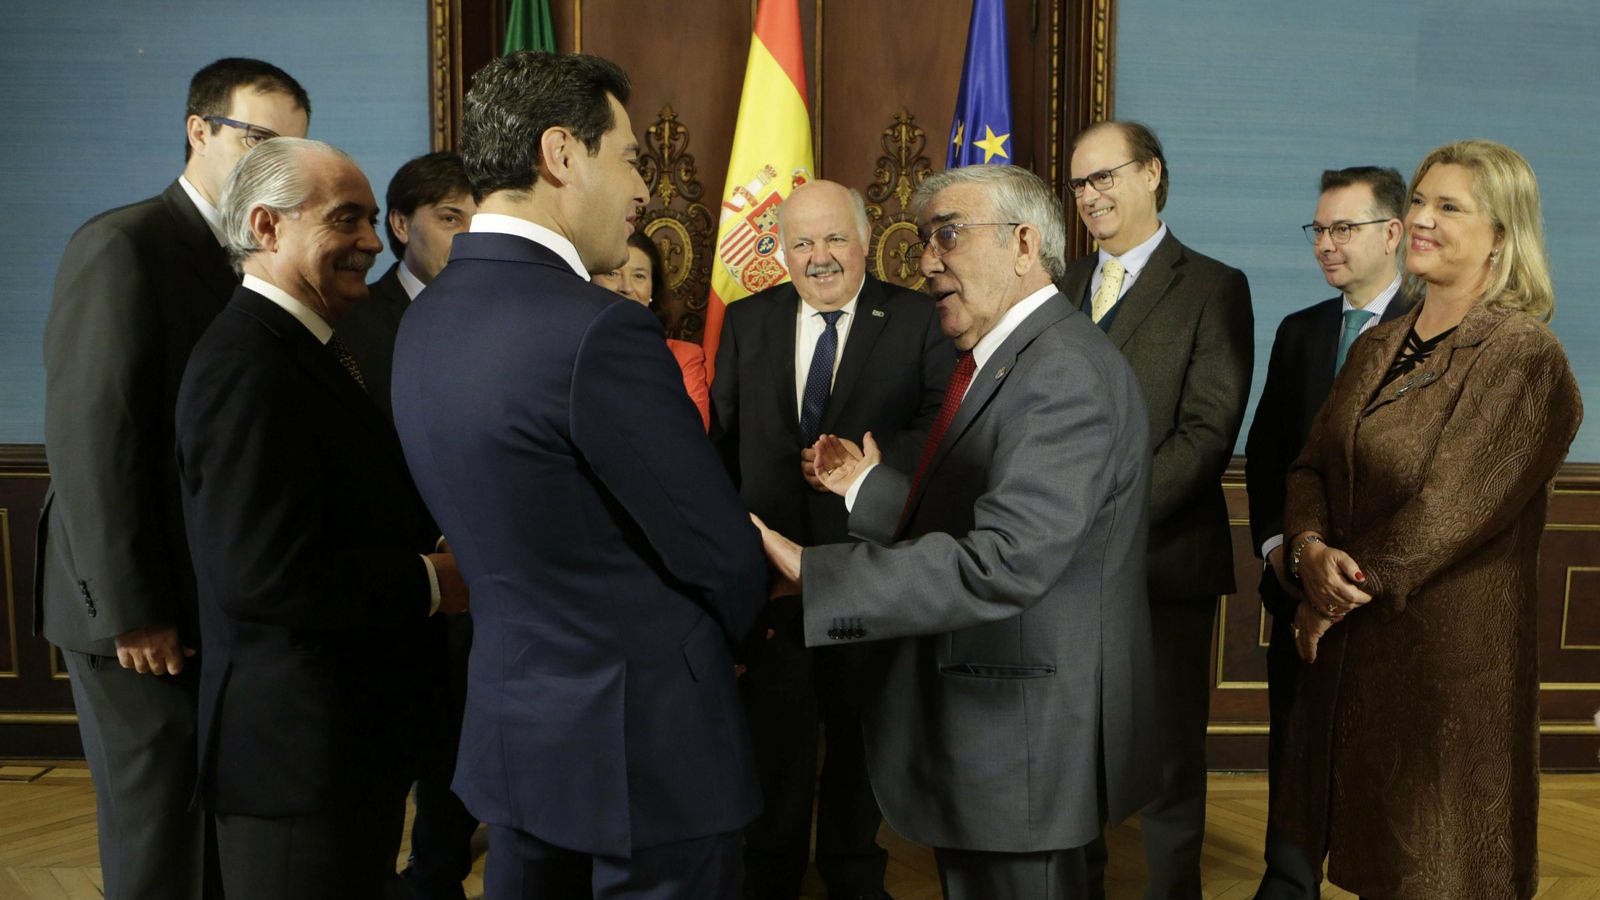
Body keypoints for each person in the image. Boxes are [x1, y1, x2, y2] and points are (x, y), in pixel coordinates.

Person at [389, 51, 767, 899]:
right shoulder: (599, 330)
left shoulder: (426, 315)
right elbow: (715, 547)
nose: (645, 191)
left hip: (516, 734)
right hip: (647, 748)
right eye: (631, 157)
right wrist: (735, 637)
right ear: (561, 154)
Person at [752, 164, 1161, 900]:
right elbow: (969, 512)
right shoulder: (1007, 358)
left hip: (1022, 738)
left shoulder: (1061, 371)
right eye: (922, 240)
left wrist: (821, 574)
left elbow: (1005, 559)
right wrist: (867, 490)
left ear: (1025, 243)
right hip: (991, 728)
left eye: (948, 235)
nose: (927, 260)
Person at [1276, 140, 1582, 899]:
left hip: (1447, 666)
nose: (1422, 218)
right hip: (1359, 655)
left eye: (1450, 206)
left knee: (1441, 870)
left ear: (1502, 235)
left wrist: (1333, 594)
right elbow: (1311, 463)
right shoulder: (1379, 342)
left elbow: (1448, 509)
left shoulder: (1523, 355)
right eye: (1418, 200)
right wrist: (1308, 550)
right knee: (1373, 867)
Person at [36, 57, 309, 900]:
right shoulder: (123, 245)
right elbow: (93, 446)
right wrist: (134, 612)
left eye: (292, 150)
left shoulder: (244, 251)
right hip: (136, 613)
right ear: (201, 130)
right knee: (158, 837)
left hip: (212, 598)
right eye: (260, 140)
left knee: (212, 829)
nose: (277, 165)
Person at [174, 137, 468, 899]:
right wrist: (428, 581)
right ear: (267, 227)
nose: (373, 242)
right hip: (292, 763)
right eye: (348, 221)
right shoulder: (247, 362)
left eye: (373, 220)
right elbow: (260, 574)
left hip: (342, 750)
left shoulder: (312, 346)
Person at [710, 178, 954, 900]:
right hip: (770, 575)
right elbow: (722, 442)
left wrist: (870, 470)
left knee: (857, 735)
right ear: (780, 251)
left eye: (834, 238)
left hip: (868, 566)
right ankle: (771, 876)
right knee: (774, 742)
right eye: (802, 242)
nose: (819, 257)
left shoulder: (916, 318)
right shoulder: (749, 320)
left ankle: (853, 874)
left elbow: (945, 421)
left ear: (867, 239)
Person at [1058, 120, 1253, 900]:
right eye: (1079, 183)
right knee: (1073, 755)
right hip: (1058, 568)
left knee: (1168, 761)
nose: (1092, 195)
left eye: (1107, 176)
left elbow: (1206, 433)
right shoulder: (1059, 284)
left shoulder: (1212, 285)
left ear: (1153, 176)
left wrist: (1107, 522)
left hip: (1161, 562)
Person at [1243, 166, 1411, 900]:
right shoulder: (1302, 332)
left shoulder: (1439, 333)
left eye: (1344, 228)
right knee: (1296, 742)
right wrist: (1283, 551)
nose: (1326, 245)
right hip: (1296, 583)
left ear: (1393, 233)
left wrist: (1361, 576)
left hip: (1391, 596)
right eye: (1320, 229)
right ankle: (1287, 881)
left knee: (1391, 759)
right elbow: (1271, 455)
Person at [334, 150, 481, 900]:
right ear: (400, 225)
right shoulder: (356, 321)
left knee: (464, 756)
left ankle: (438, 876)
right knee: (399, 760)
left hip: (491, 574)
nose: (469, 232)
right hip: (399, 575)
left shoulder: (498, 311)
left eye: (477, 217)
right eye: (450, 218)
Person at [340, 150, 477, 423]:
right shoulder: (351, 325)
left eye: (481, 222)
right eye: (450, 219)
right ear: (401, 225)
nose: (471, 238)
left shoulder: (509, 318)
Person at [593, 230, 712, 430]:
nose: (626, 287)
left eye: (639, 276)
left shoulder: (683, 357)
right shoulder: (567, 351)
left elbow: (691, 434)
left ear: (652, 290)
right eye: (612, 273)